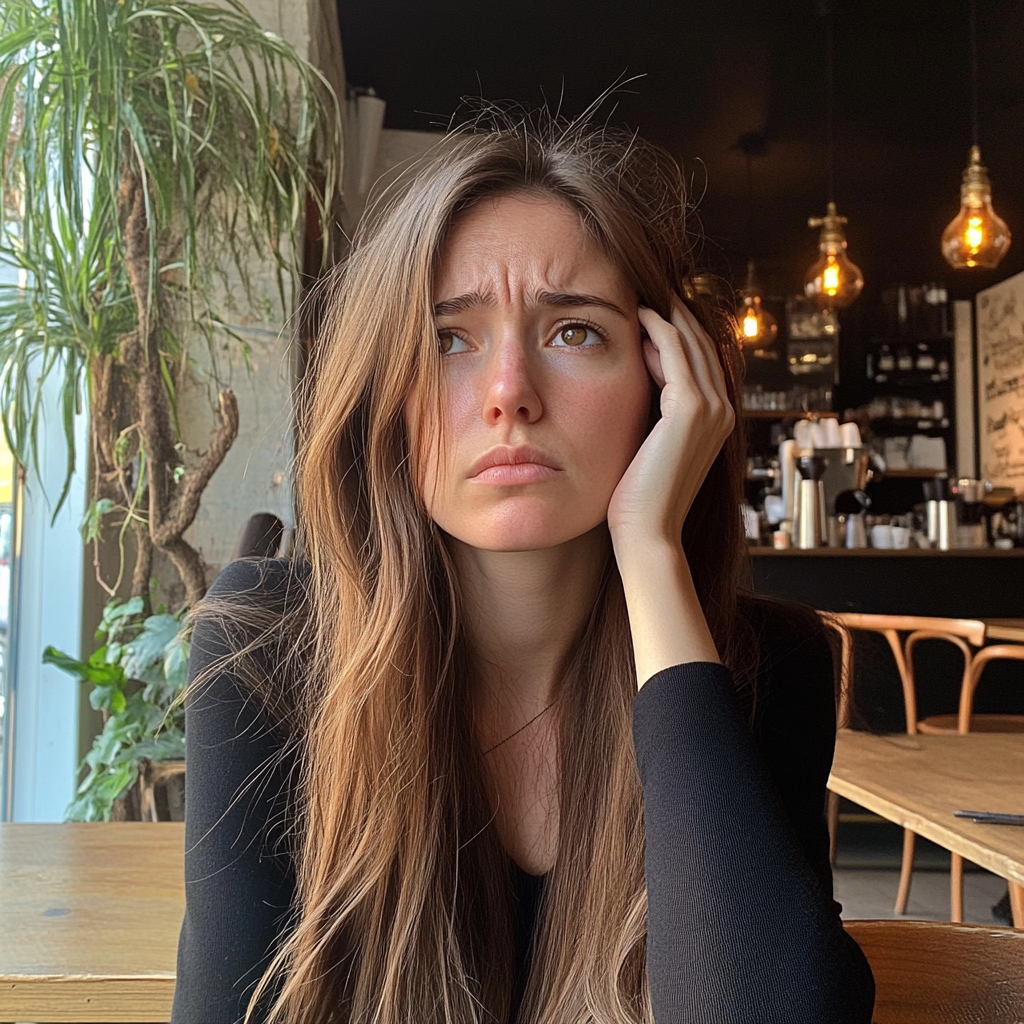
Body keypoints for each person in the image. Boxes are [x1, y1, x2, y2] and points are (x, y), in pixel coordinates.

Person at [170, 111, 875, 1024]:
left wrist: (652, 554)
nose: (509, 393)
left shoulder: (769, 668)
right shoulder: (265, 652)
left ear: (668, 387)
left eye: (575, 332)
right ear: (382, 395)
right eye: (448, 340)